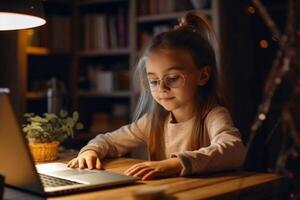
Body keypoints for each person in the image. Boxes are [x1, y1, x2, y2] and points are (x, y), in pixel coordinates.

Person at [67, 12, 246, 181]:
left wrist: (174, 164)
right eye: (153, 81)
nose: (162, 88)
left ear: (203, 76)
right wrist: (89, 151)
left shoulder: (213, 115)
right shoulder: (154, 121)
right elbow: (109, 141)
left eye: (173, 78)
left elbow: (234, 150)